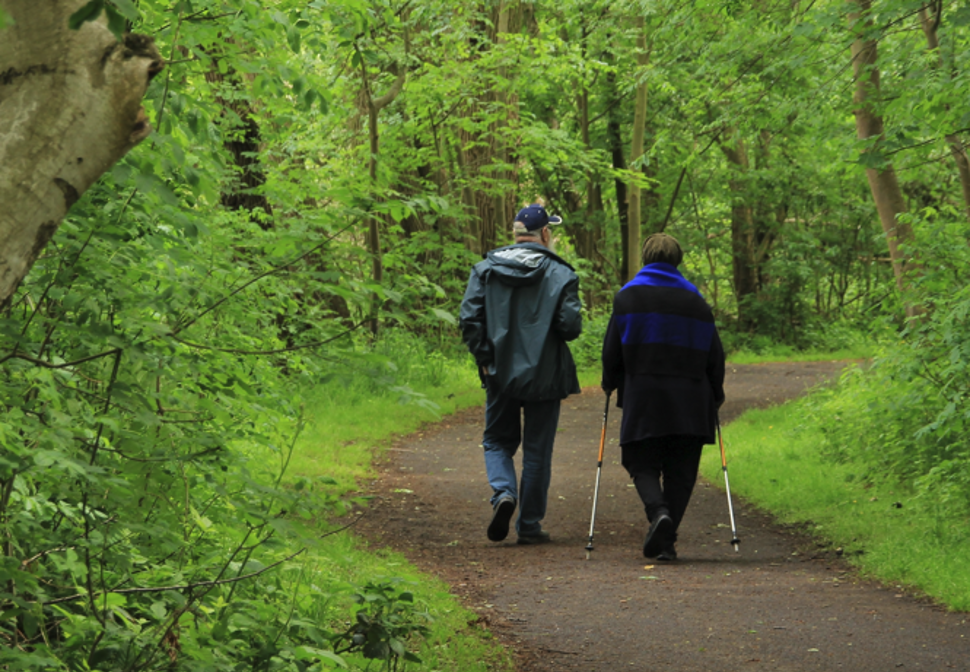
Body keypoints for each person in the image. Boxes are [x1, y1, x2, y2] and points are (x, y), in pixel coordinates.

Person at [459, 203, 582, 545]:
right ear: (545, 234)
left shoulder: (485, 269)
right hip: (546, 374)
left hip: (500, 374)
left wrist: (486, 358)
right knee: (538, 451)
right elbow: (570, 327)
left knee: (497, 440)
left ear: (515, 234)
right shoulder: (562, 274)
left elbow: (469, 319)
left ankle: (503, 494)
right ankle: (528, 525)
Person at [601, 233, 725, 561]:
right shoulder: (698, 302)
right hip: (692, 398)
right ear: (678, 260)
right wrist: (716, 393)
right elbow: (715, 354)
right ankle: (667, 544)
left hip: (644, 395)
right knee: (681, 470)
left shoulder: (627, 298)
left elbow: (612, 349)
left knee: (639, 458)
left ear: (645, 258)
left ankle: (658, 514)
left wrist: (609, 381)